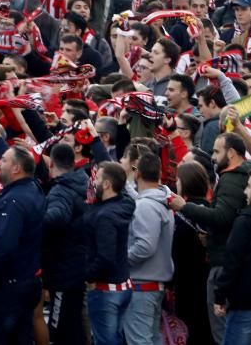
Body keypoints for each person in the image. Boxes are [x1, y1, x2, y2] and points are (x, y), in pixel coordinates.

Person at [170, 133, 251, 344]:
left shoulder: (232, 178)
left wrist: (185, 207)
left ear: (232, 153)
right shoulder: (237, 176)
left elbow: (223, 217)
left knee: (224, 334)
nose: (213, 157)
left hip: (224, 267)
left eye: (217, 151)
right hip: (230, 267)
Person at [0, 146, 45, 345]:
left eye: (4, 160)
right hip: (24, 281)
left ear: (16, 168)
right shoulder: (33, 190)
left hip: (8, 287)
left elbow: (5, 246)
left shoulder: (14, 200)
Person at [122, 152, 174, 345]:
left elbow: (145, 246)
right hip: (151, 285)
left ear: (138, 174)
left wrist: (121, 260)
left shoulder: (146, 206)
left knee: (140, 341)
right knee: (151, 339)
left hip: (142, 287)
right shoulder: (159, 201)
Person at [85, 162, 135, 345]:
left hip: (105, 291)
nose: (93, 182)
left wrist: (87, 275)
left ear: (106, 184)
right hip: (123, 286)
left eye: (97, 179)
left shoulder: (105, 216)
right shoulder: (125, 204)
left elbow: (105, 257)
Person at [43, 143, 88, 345]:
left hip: (65, 272)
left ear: (51, 164)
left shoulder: (61, 191)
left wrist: (31, 219)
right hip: (79, 266)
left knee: (60, 331)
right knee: (74, 328)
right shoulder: (83, 182)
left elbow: (55, 218)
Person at [172, 162, 214, 345]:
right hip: (208, 280)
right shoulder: (213, 211)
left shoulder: (182, 216)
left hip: (187, 282)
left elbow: (176, 251)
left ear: (184, 183)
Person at [214, 167, 251, 345]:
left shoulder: (245, 221)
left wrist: (220, 295)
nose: (245, 191)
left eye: (249, 186)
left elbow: (232, 261)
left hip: (246, 303)